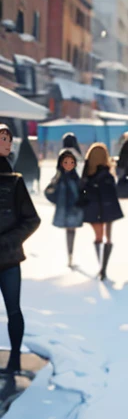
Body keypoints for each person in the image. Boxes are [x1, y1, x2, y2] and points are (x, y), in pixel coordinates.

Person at [0, 125, 40, 375]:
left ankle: (15, 358)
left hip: (9, 259)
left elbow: (32, 220)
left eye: (9, 139)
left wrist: (7, 241)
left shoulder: (15, 183)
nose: (7, 143)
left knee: (13, 309)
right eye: (2, 138)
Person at [80, 143, 123, 280]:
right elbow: (113, 193)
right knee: (108, 238)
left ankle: (100, 265)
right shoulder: (107, 174)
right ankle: (103, 268)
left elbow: (83, 190)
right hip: (107, 208)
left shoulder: (87, 173)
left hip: (92, 209)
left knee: (98, 237)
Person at [44, 148, 84, 267]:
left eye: (71, 162)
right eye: (66, 162)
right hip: (64, 210)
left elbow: (83, 192)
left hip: (75, 209)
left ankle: (70, 255)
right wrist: (57, 200)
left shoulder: (75, 178)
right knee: (70, 231)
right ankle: (70, 256)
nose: (69, 165)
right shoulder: (59, 178)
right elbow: (48, 192)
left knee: (71, 231)